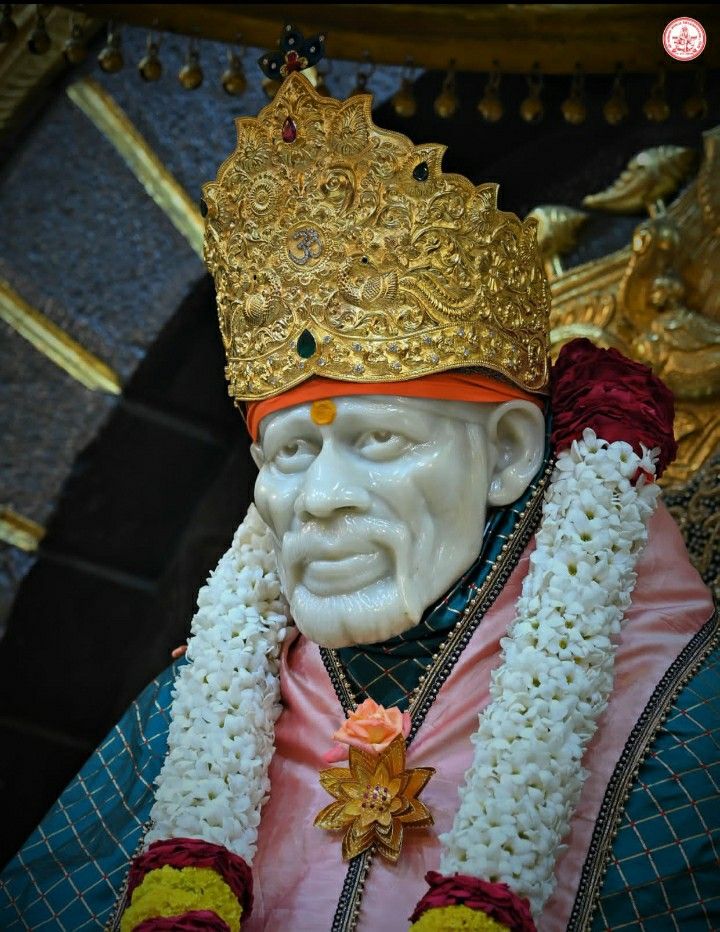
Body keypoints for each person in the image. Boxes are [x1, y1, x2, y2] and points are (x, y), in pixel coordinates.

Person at [1, 70, 717, 932]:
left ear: (507, 456)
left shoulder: (680, 714)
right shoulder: (192, 711)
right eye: (293, 452)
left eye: (379, 440)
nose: (323, 500)